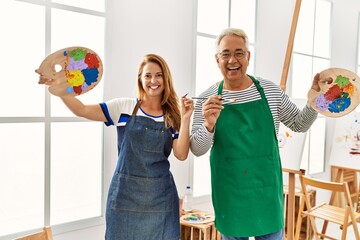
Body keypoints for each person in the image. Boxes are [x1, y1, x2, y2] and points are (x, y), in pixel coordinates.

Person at [190, 28, 332, 240]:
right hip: (230, 195)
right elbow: (197, 149)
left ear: (248, 57)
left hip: (266, 193)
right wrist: (209, 125)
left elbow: (299, 124)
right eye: (225, 54)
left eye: (239, 53)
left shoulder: (270, 91)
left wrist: (315, 100)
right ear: (217, 59)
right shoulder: (207, 98)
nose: (232, 60)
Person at [36, 53, 194, 240]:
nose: (153, 80)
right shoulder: (124, 107)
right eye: (148, 75)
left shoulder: (173, 115)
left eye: (158, 75)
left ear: (165, 78)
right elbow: (82, 110)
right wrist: (61, 89)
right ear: (140, 79)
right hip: (125, 198)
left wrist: (185, 119)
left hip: (161, 201)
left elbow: (182, 154)